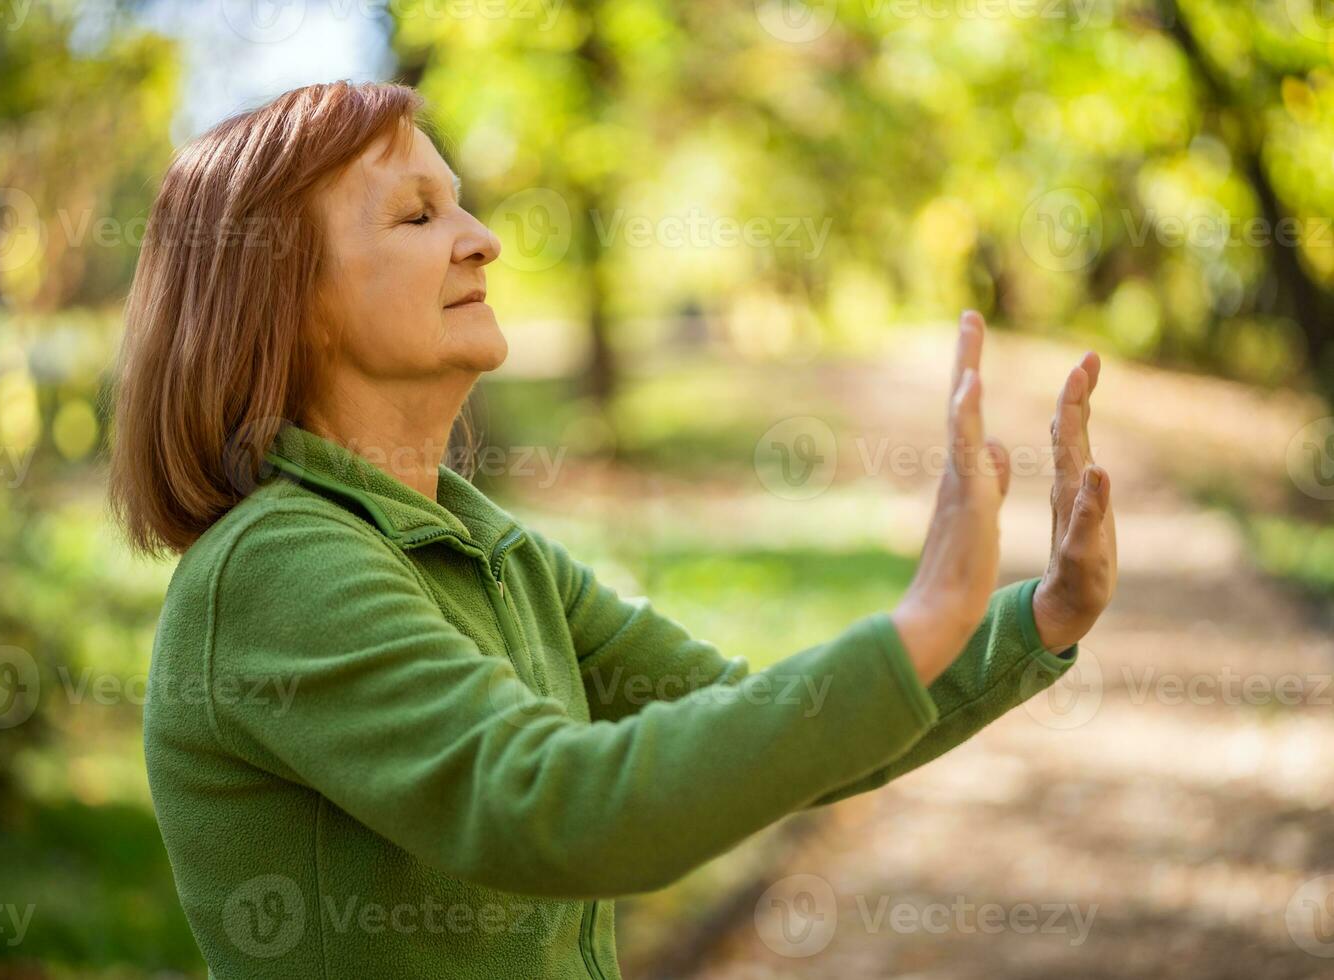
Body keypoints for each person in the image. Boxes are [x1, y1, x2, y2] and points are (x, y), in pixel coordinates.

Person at [108, 79, 1116, 980]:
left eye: (459, 200)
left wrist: (1040, 616)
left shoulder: (480, 545)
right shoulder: (276, 569)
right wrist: (923, 613)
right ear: (287, 302)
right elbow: (560, 808)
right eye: (418, 215)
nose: (481, 237)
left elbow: (767, 721)